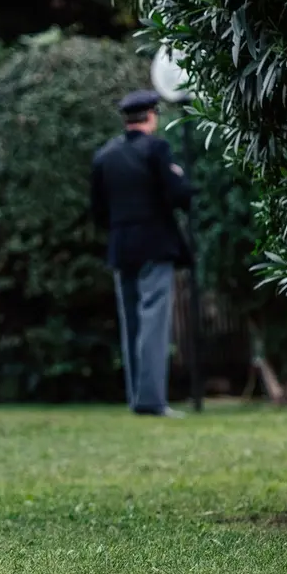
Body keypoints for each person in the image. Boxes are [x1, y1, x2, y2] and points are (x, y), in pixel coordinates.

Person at [89, 89, 196, 418]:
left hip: (121, 247)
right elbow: (179, 194)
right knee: (153, 324)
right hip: (155, 244)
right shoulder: (157, 149)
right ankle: (152, 400)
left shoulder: (104, 155)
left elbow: (98, 211)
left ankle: (138, 397)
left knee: (132, 323)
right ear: (151, 116)